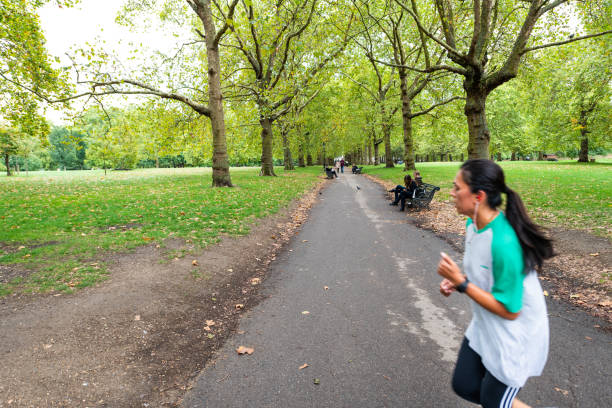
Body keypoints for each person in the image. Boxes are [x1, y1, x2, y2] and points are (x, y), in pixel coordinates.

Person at [437, 159, 553, 408]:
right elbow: (482, 276)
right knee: (465, 385)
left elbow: (511, 311)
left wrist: (463, 284)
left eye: (457, 187)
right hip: (485, 326)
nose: (452, 192)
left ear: (478, 196)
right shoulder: (473, 225)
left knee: (494, 403)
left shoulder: (504, 243)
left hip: (514, 337)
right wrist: (458, 282)